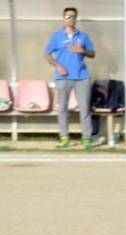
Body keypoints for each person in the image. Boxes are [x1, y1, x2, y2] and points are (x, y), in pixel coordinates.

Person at [43, 6, 95, 149]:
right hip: (63, 77)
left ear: (76, 18)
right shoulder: (56, 36)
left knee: (85, 109)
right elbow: (47, 54)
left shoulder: (83, 36)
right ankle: (64, 137)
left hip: (82, 77)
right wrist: (58, 66)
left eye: (73, 16)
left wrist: (82, 50)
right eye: (68, 16)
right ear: (63, 18)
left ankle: (86, 138)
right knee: (63, 109)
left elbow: (93, 54)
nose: (70, 18)